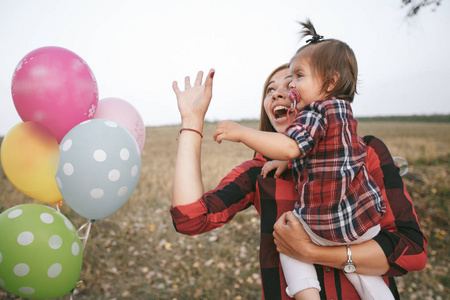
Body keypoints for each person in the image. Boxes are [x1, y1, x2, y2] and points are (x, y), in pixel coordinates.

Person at [171, 64, 427, 299]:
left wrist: (311, 253)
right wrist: (191, 121)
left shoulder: (365, 153)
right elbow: (190, 218)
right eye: (270, 90)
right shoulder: (262, 172)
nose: (278, 94)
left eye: (292, 83)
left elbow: (413, 251)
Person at [212, 20, 390, 300]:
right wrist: (286, 162)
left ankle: (307, 295)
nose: (292, 84)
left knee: (287, 235)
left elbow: (291, 146)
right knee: (367, 278)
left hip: (328, 224)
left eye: (298, 76)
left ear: (329, 81)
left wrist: (241, 132)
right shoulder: (343, 112)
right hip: (364, 223)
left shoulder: (315, 111)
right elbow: (331, 152)